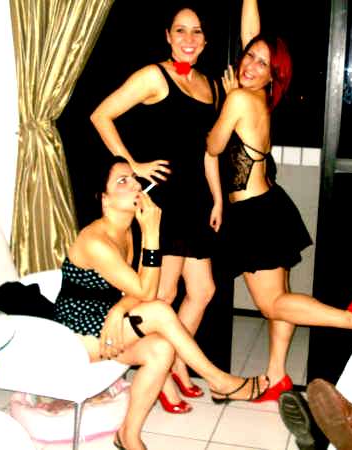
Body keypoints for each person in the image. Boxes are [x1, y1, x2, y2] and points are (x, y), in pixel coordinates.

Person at [204, 3, 352, 403]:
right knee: (281, 297)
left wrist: (227, 98)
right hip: (269, 207)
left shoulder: (240, 98)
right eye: (250, 56)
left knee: (273, 303)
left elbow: (213, 145)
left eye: (262, 63)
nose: (251, 65)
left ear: (274, 75)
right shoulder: (261, 97)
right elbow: (252, 36)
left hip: (254, 215)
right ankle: (276, 377)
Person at [89, 1, 260, 413]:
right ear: (168, 36)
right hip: (164, 201)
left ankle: (177, 363)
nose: (188, 38)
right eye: (180, 30)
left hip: (197, 200)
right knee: (162, 295)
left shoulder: (211, 85)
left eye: (196, 31)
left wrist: (217, 198)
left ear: (205, 40)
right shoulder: (155, 76)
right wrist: (133, 164)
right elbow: (101, 115)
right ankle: (162, 376)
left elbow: (208, 151)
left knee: (203, 290)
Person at [53, 157, 269, 450]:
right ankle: (218, 380)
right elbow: (147, 292)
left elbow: (138, 287)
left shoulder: (125, 228)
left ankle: (128, 435)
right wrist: (152, 233)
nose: (135, 185)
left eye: (133, 178)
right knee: (159, 310)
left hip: (106, 322)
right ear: (104, 199)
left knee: (162, 348)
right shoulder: (96, 241)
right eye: (122, 181)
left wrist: (118, 309)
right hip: (75, 334)